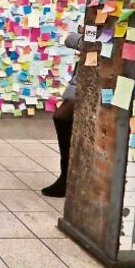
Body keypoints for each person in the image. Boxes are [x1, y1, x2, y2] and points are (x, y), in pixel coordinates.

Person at [43, 28, 82, 197]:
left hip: (95, 84)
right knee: (62, 117)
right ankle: (67, 176)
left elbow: (79, 41)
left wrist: (76, 35)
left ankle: (68, 178)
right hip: (84, 82)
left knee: (62, 117)